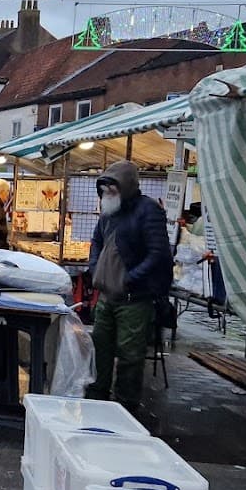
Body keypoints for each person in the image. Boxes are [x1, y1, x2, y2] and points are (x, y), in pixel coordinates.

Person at [84, 160, 173, 413]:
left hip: (135, 298)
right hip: (107, 296)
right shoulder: (109, 212)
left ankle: (125, 407)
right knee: (100, 346)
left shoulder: (148, 210)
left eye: (112, 188)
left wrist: (130, 278)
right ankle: (97, 398)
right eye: (104, 188)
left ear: (126, 186)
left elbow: (158, 253)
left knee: (130, 355)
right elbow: (96, 240)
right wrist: (94, 268)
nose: (107, 193)